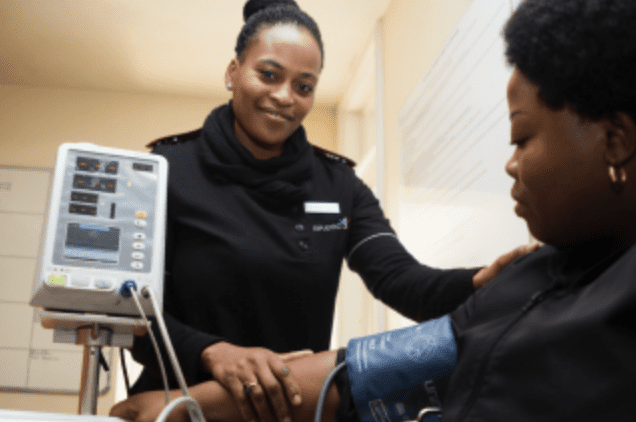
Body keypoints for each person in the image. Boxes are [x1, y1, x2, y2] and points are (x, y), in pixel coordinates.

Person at [111, 0, 636, 420]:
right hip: (176, 390)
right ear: (233, 71)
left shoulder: (337, 184)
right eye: (268, 75)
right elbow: (131, 308)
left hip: (290, 405)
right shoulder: (166, 170)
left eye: (304, 85)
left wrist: (475, 284)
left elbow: (400, 283)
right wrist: (212, 355)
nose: (284, 97)